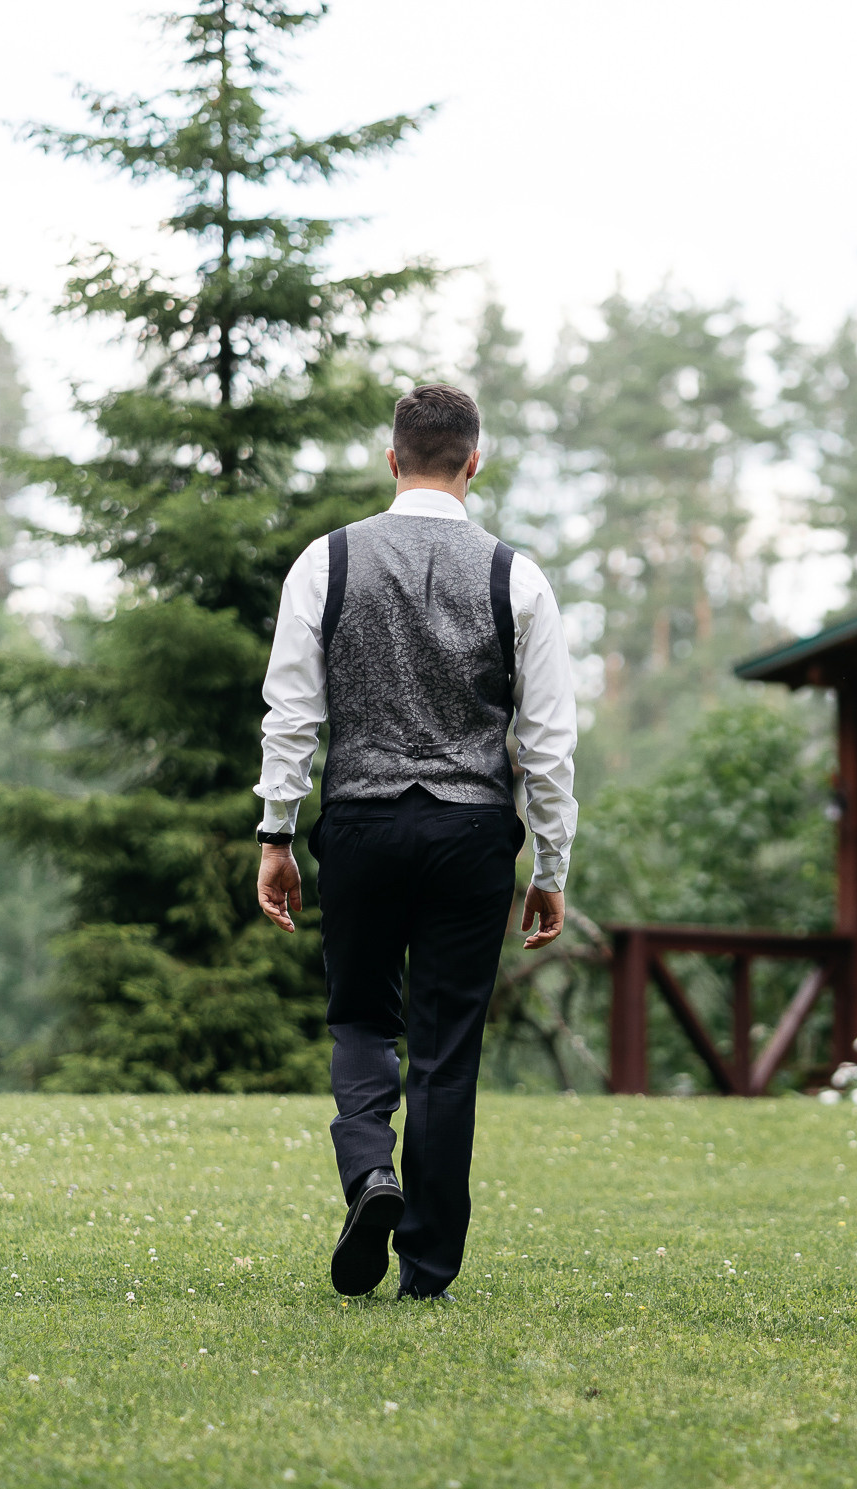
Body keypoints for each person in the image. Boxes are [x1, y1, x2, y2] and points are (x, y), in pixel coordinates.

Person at [253, 383, 578, 1301]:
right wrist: (549, 866)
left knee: (360, 1016)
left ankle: (370, 1173)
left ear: (392, 461)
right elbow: (548, 743)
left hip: (359, 821)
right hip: (471, 833)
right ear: (474, 462)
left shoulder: (328, 561)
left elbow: (292, 712)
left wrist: (278, 830)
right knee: (445, 1049)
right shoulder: (518, 577)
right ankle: (427, 1268)